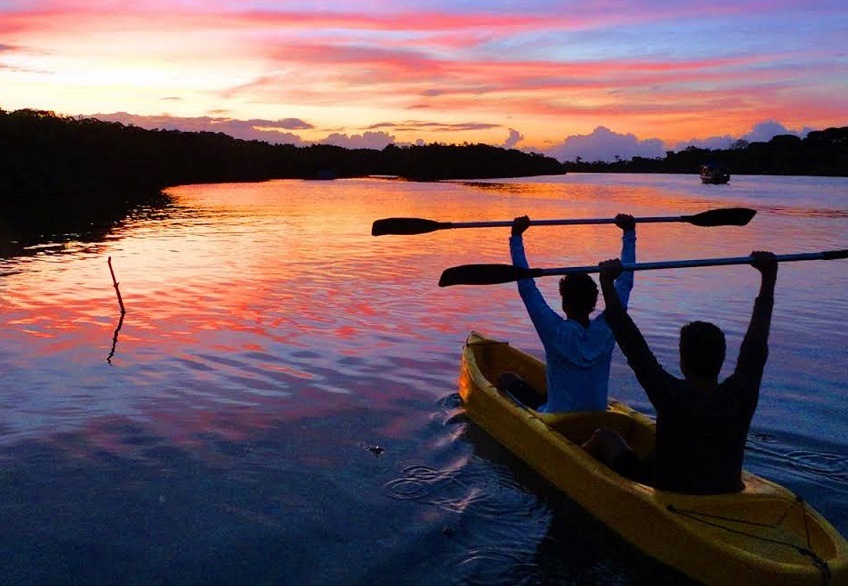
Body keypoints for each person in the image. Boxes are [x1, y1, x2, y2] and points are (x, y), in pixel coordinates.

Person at [587, 251, 778, 494]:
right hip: (725, 489)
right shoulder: (741, 394)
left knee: (605, 437)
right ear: (721, 359)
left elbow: (632, 343)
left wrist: (606, 283)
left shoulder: (670, 394)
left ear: (683, 361)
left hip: (671, 492)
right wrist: (769, 277)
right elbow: (756, 345)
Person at [498, 213, 636, 412]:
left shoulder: (554, 332)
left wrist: (516, 235)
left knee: (506, 378)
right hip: (598, 416)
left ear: (563, 303)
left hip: (556, 421)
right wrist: (629, 232)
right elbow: (625, 284)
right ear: (593, 303)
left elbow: (526, 287)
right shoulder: (608, 328)